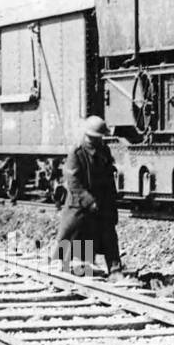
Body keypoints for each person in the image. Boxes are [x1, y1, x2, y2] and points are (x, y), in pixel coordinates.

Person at [55, 115, 122, 277]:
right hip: (80, 203)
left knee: (109, 233)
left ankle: (115, 269)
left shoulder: (104, 151)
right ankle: (67, 265)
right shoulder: (77, 153)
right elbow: (73, 183)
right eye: (94, 138)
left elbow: (108, 176)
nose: (97, 141)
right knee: (75, 229)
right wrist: (89, 201)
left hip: (102, 201)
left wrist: (111, 201)